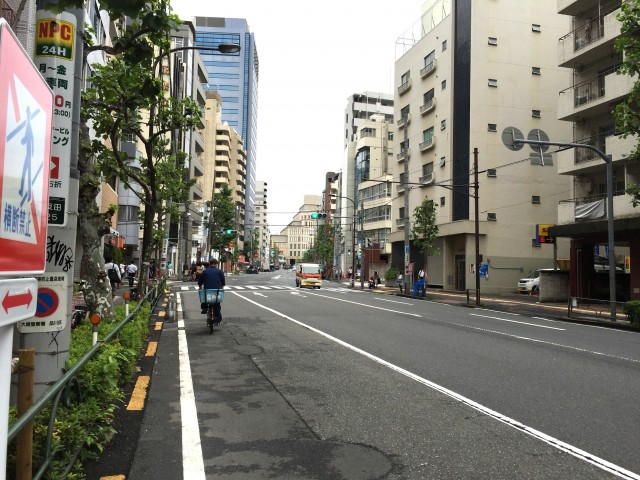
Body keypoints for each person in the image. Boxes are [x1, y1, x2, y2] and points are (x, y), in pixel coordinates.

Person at [198, 258, 226, 323]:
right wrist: (222, 286)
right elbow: (223, 281)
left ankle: (204, 308)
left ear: (210, 264)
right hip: (217, 290)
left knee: (204, 297)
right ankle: (218, 317)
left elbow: (200, 280)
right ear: (216, 264)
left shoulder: (205, 271)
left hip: (207, 290)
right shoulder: (219, 271)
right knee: (217, 303)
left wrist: (200, 286)